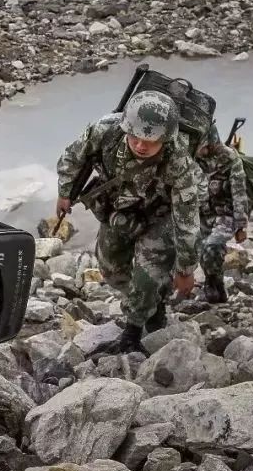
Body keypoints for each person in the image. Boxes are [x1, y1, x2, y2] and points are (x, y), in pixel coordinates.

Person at [56, 91, 201, 351]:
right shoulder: (106, 130)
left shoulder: (179, 162)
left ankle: (132, 334)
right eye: (135, 137)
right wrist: (64, 192)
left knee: (147, 277)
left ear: (165, 139)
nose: (141, 146)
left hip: (159, 217)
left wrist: (185, 269)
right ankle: (152, 302)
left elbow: (187, 218)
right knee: (111, 270)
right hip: (118, 210)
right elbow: (72, 156)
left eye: (150, 141)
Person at [193, 123, 249, 304]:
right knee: (202, 251)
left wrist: (241, 226)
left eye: (201, 146)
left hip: (225, 215)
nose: (198, 150)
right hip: (203, 213)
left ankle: (211, 283)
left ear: (211, 143)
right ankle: (216, 284)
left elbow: (239, 194)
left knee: (212, 246)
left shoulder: (230, 159)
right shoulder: (194, 157)